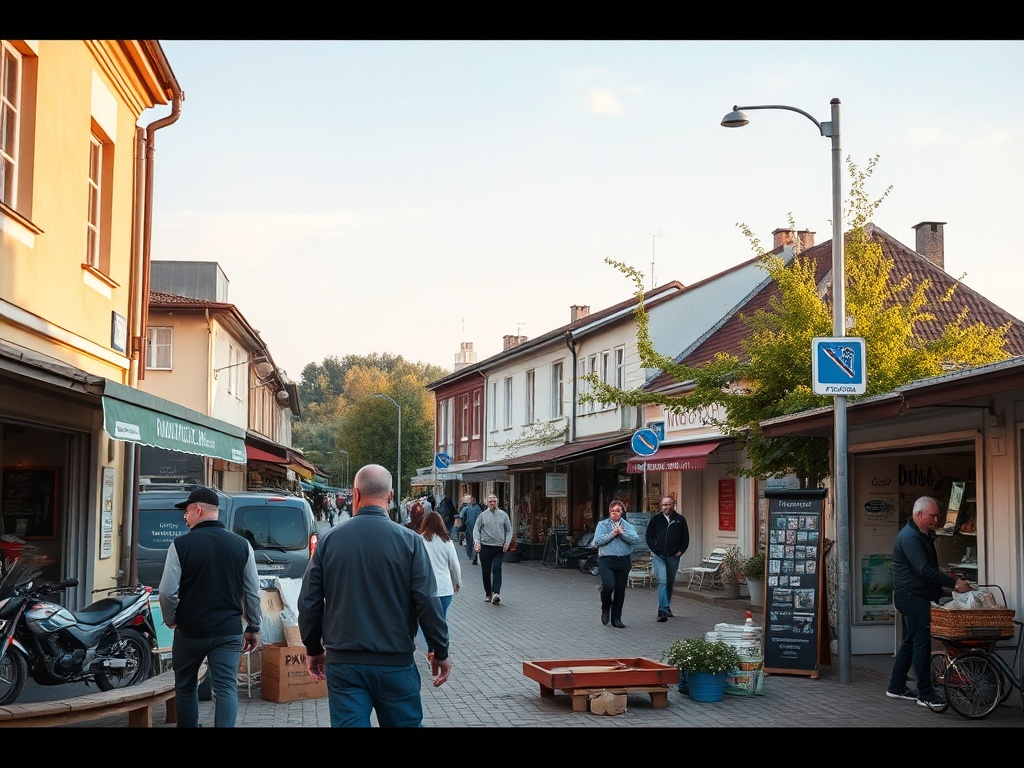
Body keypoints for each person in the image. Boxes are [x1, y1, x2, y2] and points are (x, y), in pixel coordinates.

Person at [298, 464, 451, 728]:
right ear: (391, 496)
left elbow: (309, 602)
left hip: (344, 664)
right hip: (395, 662)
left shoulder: (329, 540)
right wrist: (440, 649)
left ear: (355, 494)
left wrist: (313, 647)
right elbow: (427, 600)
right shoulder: (410, 542)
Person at [158, 486, 262, 728]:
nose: (185, 517)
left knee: (185, 686)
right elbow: (252, 592)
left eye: (186, 512)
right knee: (226, 687)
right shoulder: (242, 545)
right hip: (227, 631)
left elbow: (167, 592)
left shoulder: (180, 545)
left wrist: (172, 620)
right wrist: (254, 626)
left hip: (190, 631)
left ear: (199, 510)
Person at [887, 495, 972, 708]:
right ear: (919, 514)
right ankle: (925, 693)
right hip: (912, 596)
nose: (937, 519)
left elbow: (927, 568)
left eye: (937, 515)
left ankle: (896, 686)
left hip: (913, 594)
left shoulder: (920, 534)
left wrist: (946, 579)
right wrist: (953, 584)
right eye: (933, 516)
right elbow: (923, 570)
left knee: (911, 641)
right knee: (921, 644)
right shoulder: (910, 537)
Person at [415, 510, 461, 661]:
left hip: (426, 588)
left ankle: (431, 649)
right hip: (444, 588)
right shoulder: (446, 541)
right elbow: (454, 565)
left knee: (426, 619)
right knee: (442, 619)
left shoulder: (419, 540)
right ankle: (442, 650)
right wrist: (457, 581)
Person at [594, 500, 640, 628]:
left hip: (623, 561)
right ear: (609, 511)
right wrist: (613, 533)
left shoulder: (627, 525)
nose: (615, 513)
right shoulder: (602, 525)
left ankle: (616, 618)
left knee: (620, 590)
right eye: (613, 510)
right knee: (609, 586)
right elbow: (598, 541)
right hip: (606, 561)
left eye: (618, 510)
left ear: (622, 512)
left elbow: (635, 539)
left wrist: (622, 533)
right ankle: (605, 606)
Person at [645, 495, 690, 622]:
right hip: (658, 556)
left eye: (668, 504)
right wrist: (653, 549)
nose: (665, 507)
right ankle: (663, 610)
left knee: (669, 583)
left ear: (673, 505)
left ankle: (667, 606)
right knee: (662, 581)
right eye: (663, 504)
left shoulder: (680, 520)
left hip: (673, 556)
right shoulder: (656, 519)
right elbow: (649, 536)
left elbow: (685, 537)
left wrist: (681, 551)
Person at [473, 494, 512, 605]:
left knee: (496, 568)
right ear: (487, 502)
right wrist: (477, 543)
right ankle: (488, 593)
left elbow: (509, 530)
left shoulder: (503, 515)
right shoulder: (482, 515)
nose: (492, 503)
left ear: (497, 502)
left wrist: (507, 543)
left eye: (494, 501)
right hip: (485, 547)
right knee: (486, 571)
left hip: (499, 547)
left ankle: (496, 593)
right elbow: (476, 530)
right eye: (490, 501)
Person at [460, 495, 482, 564]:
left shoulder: (478, 509)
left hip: (475, 529)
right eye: (471, 500)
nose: (472, 501)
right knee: (469, 543)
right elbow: (461, 515)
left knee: (474, 542)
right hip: (468, 529)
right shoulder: (467, 508)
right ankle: (471, 556)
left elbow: (480, 518)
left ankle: (474, 557)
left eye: (474, 500)